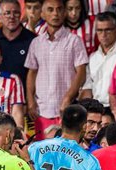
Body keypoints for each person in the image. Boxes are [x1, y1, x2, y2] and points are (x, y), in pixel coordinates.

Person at [25, 0, 88, 138]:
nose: (55, 13)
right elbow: (32, 72)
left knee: (65, 153)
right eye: (50, 10)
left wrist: (67, 98)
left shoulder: (74, 41)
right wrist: (30, 101)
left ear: (64, 13)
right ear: (42, 13)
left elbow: (81, 73)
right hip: (41, 110)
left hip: (67, 111)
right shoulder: (36, 43)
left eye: (59, 9)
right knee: (43, 154)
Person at [0, 0, 37, 90]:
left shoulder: (33, 40)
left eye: (16, 13)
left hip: (24, 99)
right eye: (7, 13)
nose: (12, 17)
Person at [79, 11, 116, 108]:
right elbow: (88, 87)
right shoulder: (92, 58)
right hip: (97, 110)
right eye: (99, 30)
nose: (103, 34)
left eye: (108, 30)